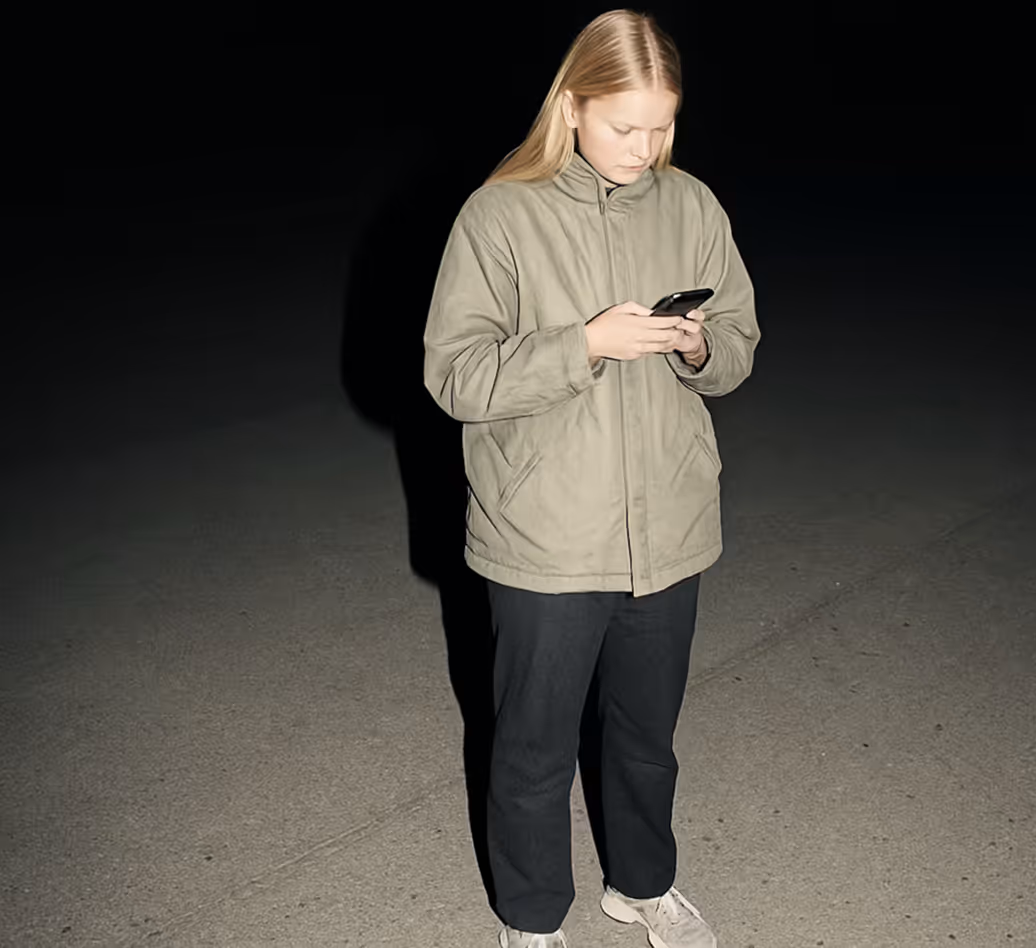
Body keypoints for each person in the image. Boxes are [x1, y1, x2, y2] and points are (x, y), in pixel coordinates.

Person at [423, 9, 759, 948]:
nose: (646, 148)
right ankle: (531, 922)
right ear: (572, 106)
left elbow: (739, 341)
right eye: (625, 126)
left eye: (664, 126)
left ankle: (644, 887)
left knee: (646, 741)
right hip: (546, 535)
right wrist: (585, 345)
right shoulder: (500, 213)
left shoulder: (691, 204)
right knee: (531, 750)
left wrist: (698, 344)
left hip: (671, 527)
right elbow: (455, 375)